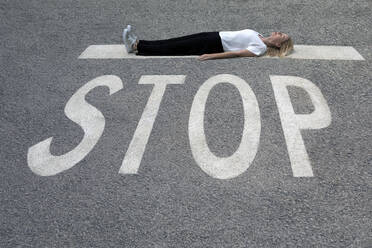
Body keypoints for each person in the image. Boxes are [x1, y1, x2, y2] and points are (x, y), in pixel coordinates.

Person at [122, 25, 293, 60]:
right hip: (214, 36)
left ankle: (136, 47)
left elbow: (237, 53)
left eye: (282, 36)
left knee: (174, 47)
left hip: (213, 45)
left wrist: (211, 56)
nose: (279, 32)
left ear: (278, 45)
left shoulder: (261, 48)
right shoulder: (258, 34)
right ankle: (138, 43)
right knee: (176, 41)